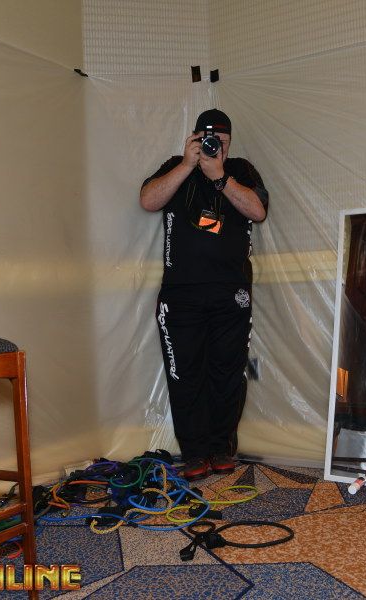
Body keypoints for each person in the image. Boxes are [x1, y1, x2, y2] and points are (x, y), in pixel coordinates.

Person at [139, 109, 269, 481]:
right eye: (206, 139)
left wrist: (220, 176)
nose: (214, 146)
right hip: (180, 294)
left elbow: (257, 210)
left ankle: (221, 448)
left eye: (220, 141)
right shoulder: (175, 166)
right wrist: (187, 164)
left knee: (228, 373)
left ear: (229, 141)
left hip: (231, 294)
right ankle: (195, 453)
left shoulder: (241, 170)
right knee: (185, 375)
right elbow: (148, 200)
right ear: (194, 137)